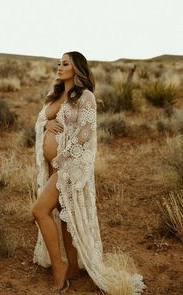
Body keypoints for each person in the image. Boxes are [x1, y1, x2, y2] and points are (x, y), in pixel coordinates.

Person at [32, 51, 146, 294]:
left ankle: (59, 268)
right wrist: (45, 125)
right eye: (58, 63)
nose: (60, 67)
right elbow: (42, 121)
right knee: (65, 217)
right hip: (53, 166)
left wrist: (62, 159)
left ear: (77, 69)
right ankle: (72, 267)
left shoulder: (85, 97)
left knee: (40, 210)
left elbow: (85, 134)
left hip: (69, 167)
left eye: (65, 64)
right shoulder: (53, 95)